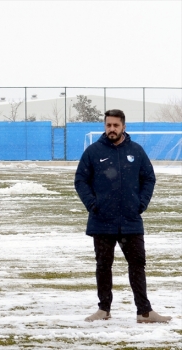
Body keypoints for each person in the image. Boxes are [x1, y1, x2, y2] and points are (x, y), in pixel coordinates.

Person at [74, 109, 171, 324]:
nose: (112, 129)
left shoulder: (136, 151)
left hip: (130, 220)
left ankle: (144, 312)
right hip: (102, 220)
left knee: (137, 264)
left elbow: (149, 178)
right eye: (108, 125)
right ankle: (103, 309)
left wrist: (141, 203)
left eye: (116, 125)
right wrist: (92, 203)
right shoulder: (93, 152)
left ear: (123, 127)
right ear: (105, 126)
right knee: (103, 265)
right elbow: (80, 180)